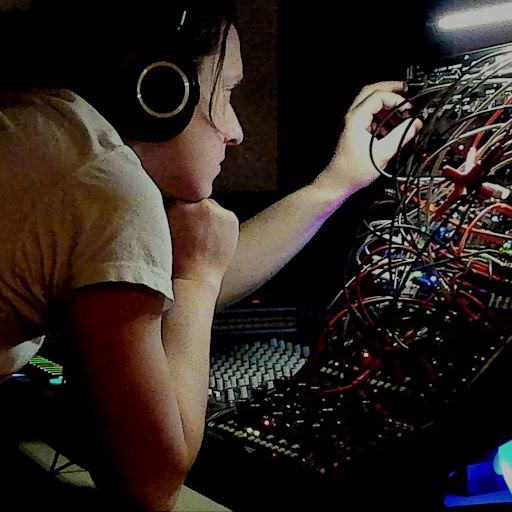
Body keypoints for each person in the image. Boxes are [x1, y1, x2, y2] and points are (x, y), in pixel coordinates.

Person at [0, 0, 422, 510]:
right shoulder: (105, 185)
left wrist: (335, 184)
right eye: (225, 93)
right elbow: (149, 485)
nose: (235, 130)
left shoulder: (48, 132)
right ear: (160, 91)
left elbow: (188, 272)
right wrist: (196, 279)